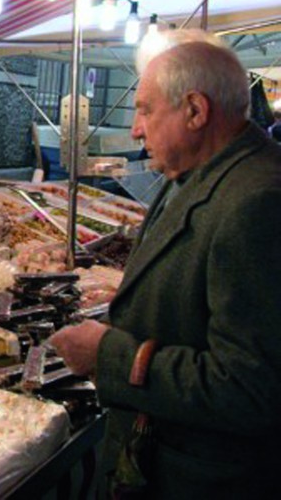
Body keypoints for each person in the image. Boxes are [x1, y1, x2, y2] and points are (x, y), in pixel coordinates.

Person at [49, 31, 281, 498]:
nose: (136, 129)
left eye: (145, 109)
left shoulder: (258, 201)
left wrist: (109, 356)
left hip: (201, 478)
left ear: (195, 111)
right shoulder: (195, 173)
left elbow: (253, 387)